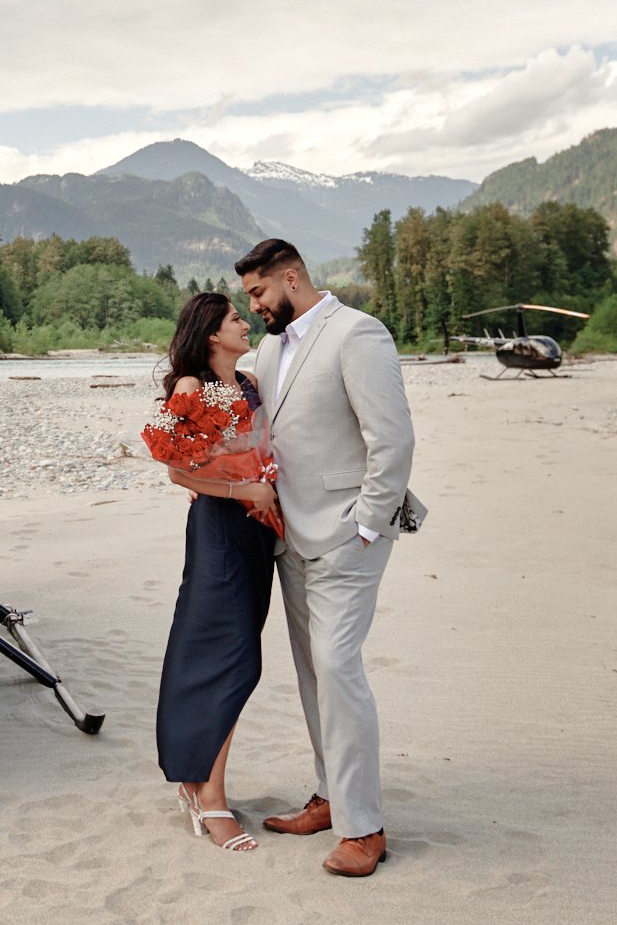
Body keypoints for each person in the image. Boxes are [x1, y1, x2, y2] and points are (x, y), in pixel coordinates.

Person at [234, 237, 425, 879]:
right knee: (313, 673)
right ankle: (328, 796)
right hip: (289, 537)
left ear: (292, 278)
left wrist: (367, 524)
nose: (255, 306)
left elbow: (391, 438)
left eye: (259, 292)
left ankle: (364, 827)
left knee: (337, 667)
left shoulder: (358, 334)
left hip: (348, 533)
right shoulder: (268, 348)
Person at [153, 291, 280, 853]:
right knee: (234, 659)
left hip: (256, 530)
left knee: (234, 651)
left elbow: (261, 448)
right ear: (211, 334)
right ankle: (211, 797)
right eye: (235, 318)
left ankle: (195, 778)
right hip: (219, 531)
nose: (245, 323)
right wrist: (241, 488)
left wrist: (268, 488)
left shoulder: (249, 383)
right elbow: (179, 473)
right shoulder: (190, 388)